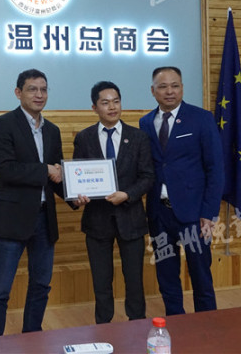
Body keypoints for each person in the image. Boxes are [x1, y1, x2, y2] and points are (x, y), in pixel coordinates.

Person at [0, 68, 66, 337]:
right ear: (18, 93)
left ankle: (32, 338)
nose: (39, 95)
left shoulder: (52, 130)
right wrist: (46, 170)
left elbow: (56, 176)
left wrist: (75, 196)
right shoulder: (4, 124)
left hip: (44, 219)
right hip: (12, 220)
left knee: (41, 285)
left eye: (43, 89)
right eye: (32, 89)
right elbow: (6, 169)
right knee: (0, 291)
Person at [139, 66, 224, 315]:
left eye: (175, 86)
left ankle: (207, 326)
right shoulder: (146, 122)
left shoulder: (201, 118)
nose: (170, 91)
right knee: (166, 275)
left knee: (200, 275)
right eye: (163, 86)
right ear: (153, 91)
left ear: (182, 88)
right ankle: (176, 323)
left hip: (194, 215)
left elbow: (215, 168)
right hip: (159, 213)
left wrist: (209, 212)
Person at [73, 81, 154, 324]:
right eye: (105, 103)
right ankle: (103, 327)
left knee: (134, 279)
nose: (112, 107)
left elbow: (148, 177)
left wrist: (127, 194)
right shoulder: (84, 138)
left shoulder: (138, 137)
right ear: (94, 107)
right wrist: (78, 195)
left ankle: (137, 324)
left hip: (131, 218)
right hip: (97, 219)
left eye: (116, 101)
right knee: (101, 281)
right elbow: (77, 176)